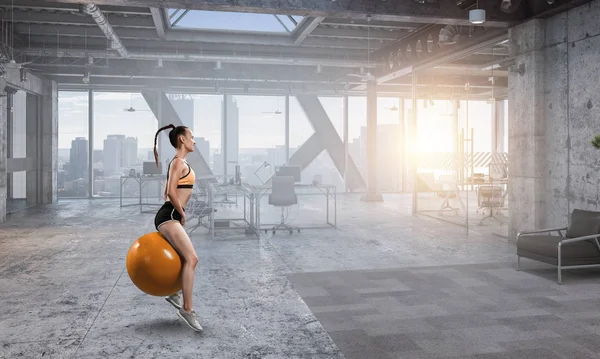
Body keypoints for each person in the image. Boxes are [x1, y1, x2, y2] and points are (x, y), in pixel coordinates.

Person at [152, 124, 203, 332]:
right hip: (170, 215)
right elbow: (171, 193)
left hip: (169, 214)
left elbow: (166, 191)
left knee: (184, 258)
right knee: (192, 258)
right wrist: (181, 214)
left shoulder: (178, 163)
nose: (194, 140)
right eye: (192, 136)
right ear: (182, 139)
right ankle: (187, 310)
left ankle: (174, 293)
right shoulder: (178, 163)